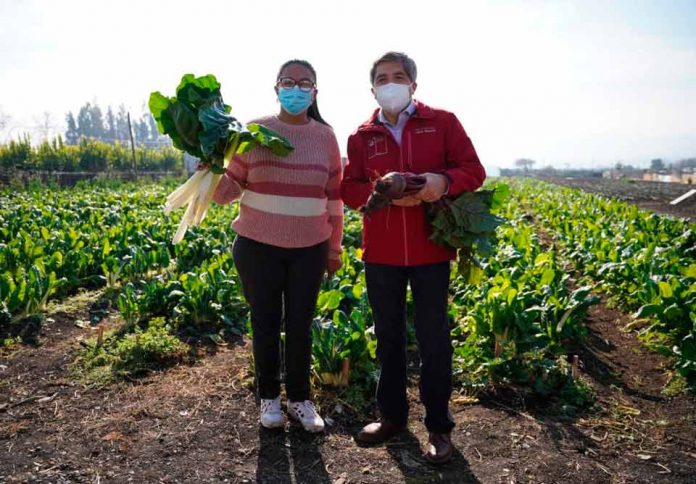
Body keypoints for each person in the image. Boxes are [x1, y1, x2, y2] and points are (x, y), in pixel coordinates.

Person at [340, 51, 485, 463]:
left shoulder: (443, 123)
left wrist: (441, 181)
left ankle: (439, 426)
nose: (391, 83)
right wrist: (379, 195)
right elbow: (349, 188)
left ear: (413, 85)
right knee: (387, 337)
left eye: (398, 76)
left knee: (433, 338)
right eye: (383, 78)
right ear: (373, 89)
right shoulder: (362, 135)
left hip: (431, 250)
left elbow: (473, 170)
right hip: (381, 253)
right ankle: (392, 418)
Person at [210, 59, 343, 433]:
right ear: (276, 87)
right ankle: (269, 398)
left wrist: (334, 248)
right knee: (265, 322)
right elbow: (228, 190)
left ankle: (301, 400)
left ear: (315, 91)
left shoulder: (325, 137)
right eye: (289, 81)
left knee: (301, 324)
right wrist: (210, 169)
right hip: (257, 245)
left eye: (305, 83)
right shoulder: (254, 132)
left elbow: (334, 198)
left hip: (310, 247)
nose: (296, 89)